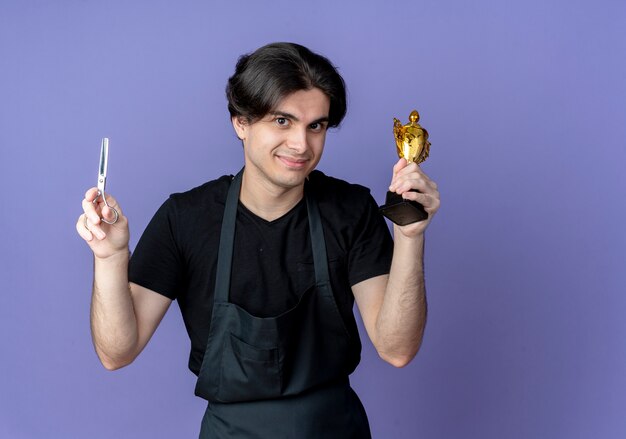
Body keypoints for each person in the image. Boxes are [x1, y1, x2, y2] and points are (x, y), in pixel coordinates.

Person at [76, 42, 440, 438]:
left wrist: (410, 236)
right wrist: (111, 258)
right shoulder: (186, 219)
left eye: (315, 125)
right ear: (241, 123)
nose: (302, 144)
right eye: (282, 121)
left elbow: (397, 348)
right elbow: (117, 352)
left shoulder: (350, 210)